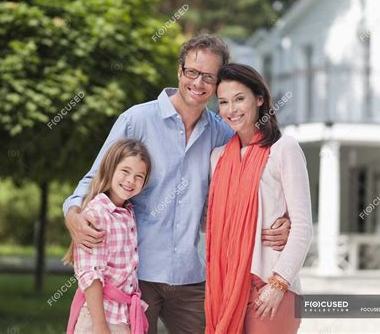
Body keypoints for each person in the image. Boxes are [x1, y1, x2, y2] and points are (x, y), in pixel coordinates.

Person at [63, 35, 292, 334]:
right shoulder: (137, 120)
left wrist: (282, 218)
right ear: (179, 71)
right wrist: (72, 214)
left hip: (192, 277)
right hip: (136, 275)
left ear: (217, 83)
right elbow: (96, 177)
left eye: (208, 77)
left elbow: (257, 178)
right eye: (192, 72)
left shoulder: (223, 133)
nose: (198, 83)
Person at [205, 63, 313, 334]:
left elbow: (303, 227)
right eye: (224, 102)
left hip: (271, 287)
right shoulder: (218, 158)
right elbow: (213, 223)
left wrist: (278, 285)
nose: (232, 109)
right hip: (228, 288)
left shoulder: (283, 149)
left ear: (260, 99)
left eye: (240, 99)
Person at [65, 139, 151, 334]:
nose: (131, 180)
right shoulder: (96, 214)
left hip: (122, 317)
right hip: (100, 319)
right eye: (125, 171)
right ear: (110, 169)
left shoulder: (127, 212)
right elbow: (90, 274)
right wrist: (100, 326)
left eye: (139, 176)